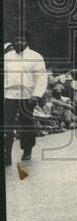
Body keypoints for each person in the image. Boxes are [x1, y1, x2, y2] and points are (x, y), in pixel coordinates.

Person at [4, 33, 48, 166]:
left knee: (26, 124)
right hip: (10, 94)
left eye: (22, 40)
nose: (19, 43)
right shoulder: (6, 57)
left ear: (27, 41)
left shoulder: (35, 57)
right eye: (16, 40)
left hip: (28, 96)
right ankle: (7, 154)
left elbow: (41, 78)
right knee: (7, 126)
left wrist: (37, 95)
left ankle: (27, 149)